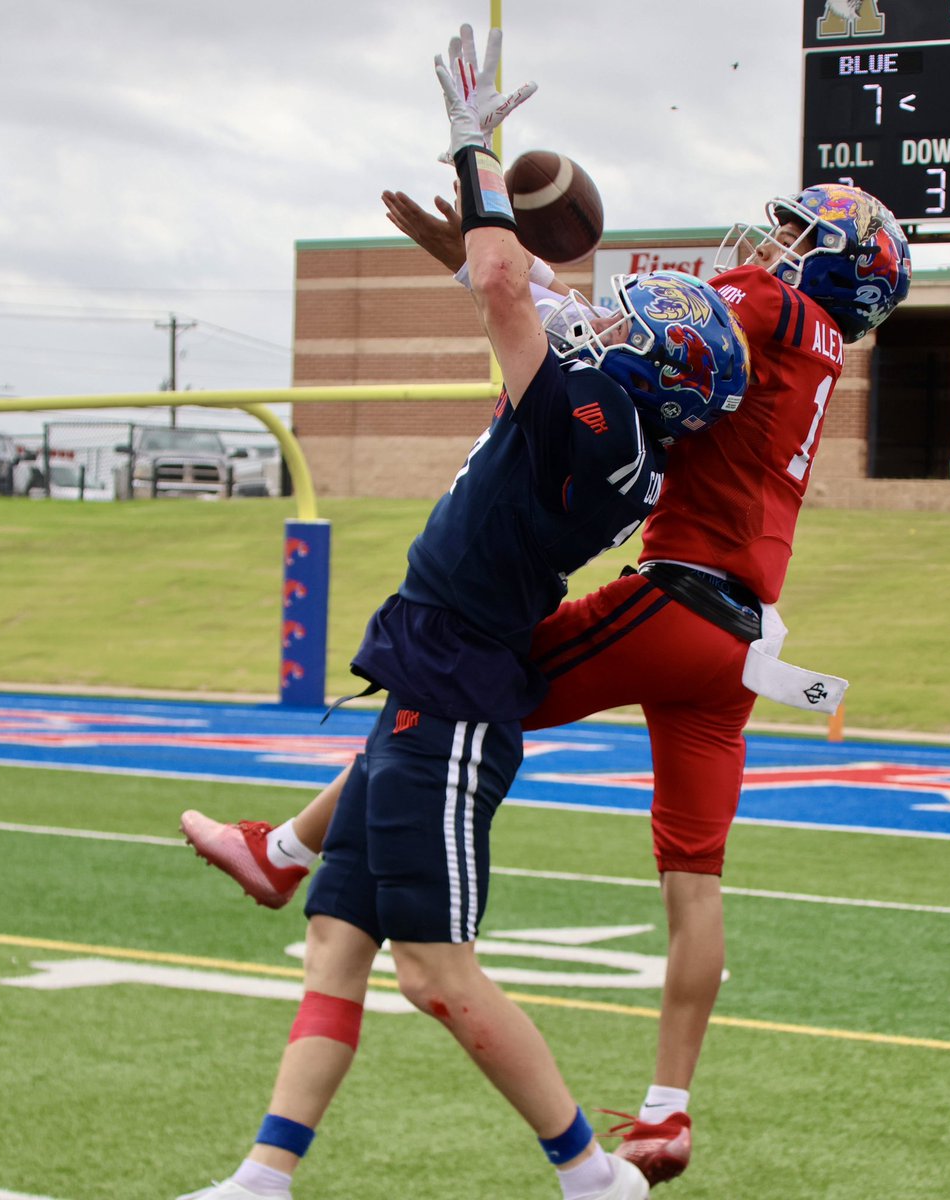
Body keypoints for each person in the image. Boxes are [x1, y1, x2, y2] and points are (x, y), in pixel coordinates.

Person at [183, 153, 911, 1192]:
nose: (771, 247)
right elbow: (607, 343)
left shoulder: (758, 317)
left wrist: (496, 251)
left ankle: (293, 850)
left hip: (674, 598)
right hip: (743, 637)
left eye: (797, 239)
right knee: (692, 881)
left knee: (445, 688)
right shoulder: (812, 351)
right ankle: (667, 1107)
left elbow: (617, 334)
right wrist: (493, 274)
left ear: (831, 268)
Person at [175, 25, 750, 1200]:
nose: (621, 318)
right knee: (336, 945)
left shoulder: (597, 419)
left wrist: (472, 146)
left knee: (435, 973)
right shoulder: (611, 417)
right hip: (429, 672)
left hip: (455, 701)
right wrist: (469, 231)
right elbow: (524, 300)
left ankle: (592, 1176)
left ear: (663, 371)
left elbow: (509, 289)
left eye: (650, 325)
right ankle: (262, 1177)